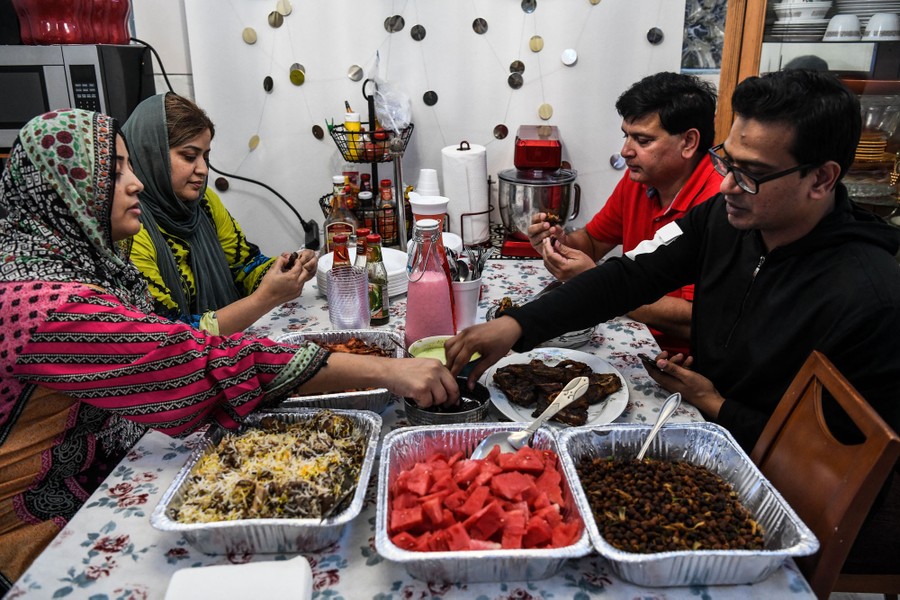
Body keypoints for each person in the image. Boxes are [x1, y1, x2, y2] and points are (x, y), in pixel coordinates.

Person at [446, 69, 900, 574]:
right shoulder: (725, 219)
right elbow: (628, 276)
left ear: (822, 178)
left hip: (773, 483)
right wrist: (518, 327)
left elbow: (836, 460)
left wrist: (715, 403)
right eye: (727, 161)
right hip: (707, 430)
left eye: (751, 172)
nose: (727, 183)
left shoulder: (872, 298)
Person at [0, 109, 459, 590]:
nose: (134, 184)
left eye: (132, 168)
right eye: (114, 174)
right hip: (38, 525)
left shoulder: (79, 261)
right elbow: (190, 359)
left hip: (108, 464)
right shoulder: (44, 303)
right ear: (60, 190)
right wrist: (387, 372)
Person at [527, 72, 723, 355]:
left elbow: (696, 318)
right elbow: (593, 242)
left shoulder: (720, 203)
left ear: (689, 142)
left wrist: (600, 284)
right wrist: (557, 243)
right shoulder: (640, 181)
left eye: (642, 140)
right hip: (632, 334)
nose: (625, 151)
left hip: (680, 359)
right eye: (626, 136)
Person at [122, 93, 315, 335]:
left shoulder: (204, 202)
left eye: (206, 156)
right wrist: (264, 299)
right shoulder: (129, 226)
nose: (203, 169)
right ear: (152, 155)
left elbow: (242, 266)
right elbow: (169, 334)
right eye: (190, 156)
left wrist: (287, 270)